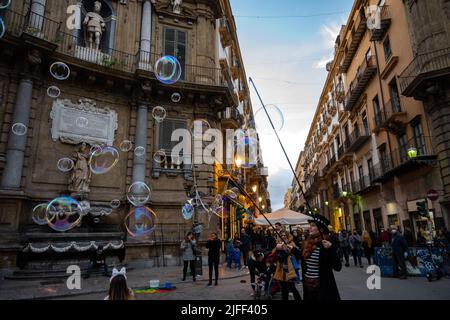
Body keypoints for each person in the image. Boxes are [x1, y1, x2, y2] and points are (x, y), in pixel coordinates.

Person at [301, 214, 342, 301]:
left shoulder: (327, 243)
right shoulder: (307, 244)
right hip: (309, 289)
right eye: (310, 226)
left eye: (313, 225)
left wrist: (330, 249)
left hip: (323, 289)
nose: (310, 228)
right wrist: (291, 249)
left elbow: (338, 267)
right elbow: (303, 260)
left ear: (321, 229)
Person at [272, 231, 302, 301]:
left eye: (285, 235)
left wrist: (288, 249)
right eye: (282, 235)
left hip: (289, 268)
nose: (283, 236)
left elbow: (296, 253)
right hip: (281, 268)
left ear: (287, 236)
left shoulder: (291, 243)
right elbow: (273, 252)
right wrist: (277, 247)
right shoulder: (279, 243)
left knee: (292, 287)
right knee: (283, 288)